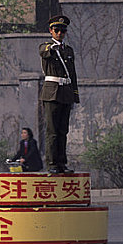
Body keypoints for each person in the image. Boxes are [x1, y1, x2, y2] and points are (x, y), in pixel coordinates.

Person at [39, 15, 80, 174]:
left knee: (63, 131)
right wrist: (52, 48)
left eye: (63, 31)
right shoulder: (46, 46)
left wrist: (75, 94)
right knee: (52, 131)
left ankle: (62, 163)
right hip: (52, 93)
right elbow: (44, 52)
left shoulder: (68, 50)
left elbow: (73, 74)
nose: (60, 33)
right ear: (51, 31)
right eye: (57, 30)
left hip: (66, 92)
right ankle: (52, 164)